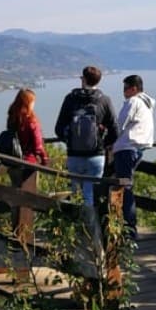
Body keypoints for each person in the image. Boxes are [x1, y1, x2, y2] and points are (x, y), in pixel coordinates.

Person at [54, 66, 118, 206]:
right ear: (98, 81)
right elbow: (115, 130)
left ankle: (75, 225)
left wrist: (71, 141)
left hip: (74, 156)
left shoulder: (70, 99)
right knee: (89, 196)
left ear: (83, 79)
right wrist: (102, 143)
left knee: (75, 194)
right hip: (96, 156)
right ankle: (89, 227)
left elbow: (58, 129)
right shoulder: (104, 100)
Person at [113, 74, 155, 239]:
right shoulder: (147, 104)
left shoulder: (133, 102)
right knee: (127, 185)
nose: (123, 91)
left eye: (126, 88)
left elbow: (119, 124)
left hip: (127, 148)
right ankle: (127, 226)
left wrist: (109, 142)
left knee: (125, 188)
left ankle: (129, 230)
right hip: (139, 148)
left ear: (134, 88)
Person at [6, 87, 49, 166]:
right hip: (29, 160)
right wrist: (45, 158)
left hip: (12, 160)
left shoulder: (12, 118)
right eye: (33, 102)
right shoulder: (31, 120)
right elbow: (38, 145)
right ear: (28, 103)